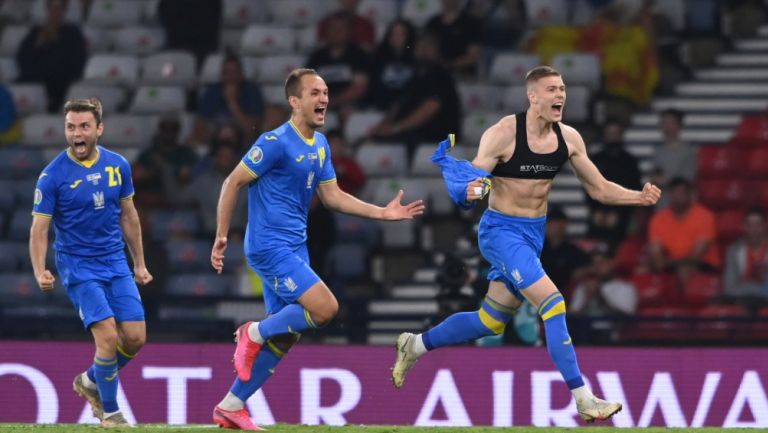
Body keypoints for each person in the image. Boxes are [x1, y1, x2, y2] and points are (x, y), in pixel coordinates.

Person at [391, 66, 661, 423]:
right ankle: (583, 398)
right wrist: (469, 190)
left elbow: (598, 188)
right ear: (532, 97)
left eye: (563, 88)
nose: (560, 95)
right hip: (501, 232)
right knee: (553, 303)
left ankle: (416, 344)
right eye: (552, 89)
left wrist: (637, 198)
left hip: (533, 235)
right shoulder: (503, 133)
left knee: (490, 321)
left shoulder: (569, 138)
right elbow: (471, 177)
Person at [210, 68, 424, 430]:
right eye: (314, 93)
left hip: (295, 247)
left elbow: (333, 196)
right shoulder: (274, 141)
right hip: (269, 245)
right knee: (326, 309)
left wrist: (383, 214)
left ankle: (231, 405)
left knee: (288, 334)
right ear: (294, 101)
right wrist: (221, 234)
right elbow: (233, 181)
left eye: (325, 92)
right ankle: (252, 333)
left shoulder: (321, 145)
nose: (324, 99)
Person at [29, 98, 152, 428]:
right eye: (71, 127)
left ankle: (91, 380)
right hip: (78, 265)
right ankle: (110, 413)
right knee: (108, 338)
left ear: (99, 129)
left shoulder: (118, 166)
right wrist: (40, 268)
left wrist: (139, 263)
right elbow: (39, 229)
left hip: (115, 261)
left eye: (84, 126)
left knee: (136, 338)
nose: (76, 134)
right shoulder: (52, 176)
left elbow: (129, 215)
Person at [16, 0, 87, 111]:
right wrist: (39, 42)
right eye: (52, 7)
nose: (55, 11)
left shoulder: (73, 32)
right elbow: (22, 57)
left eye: (59, 8)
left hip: (60, 80)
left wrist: (55, 40)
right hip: (34, 78)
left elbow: (77, 61)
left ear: (64, 11)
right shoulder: (36, 31)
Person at [723, 207, 768, 300]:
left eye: (758, 224)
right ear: (744, 227)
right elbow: (729, 287)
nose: (754, 229)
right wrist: (755, 290)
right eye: (750, 225)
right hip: (740, 298)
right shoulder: (734, 250)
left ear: (765, 226)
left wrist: (751, 290)